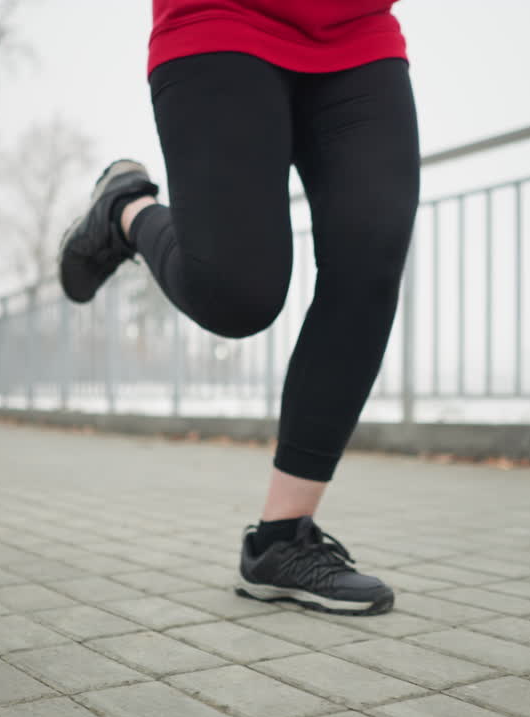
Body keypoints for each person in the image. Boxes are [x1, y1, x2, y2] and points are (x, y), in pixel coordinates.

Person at [58, 0, 419, 615]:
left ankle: (281, 542)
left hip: (359, 29)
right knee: (237, 294)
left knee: (371, 258)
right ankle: (126, 211)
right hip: (222, 17)